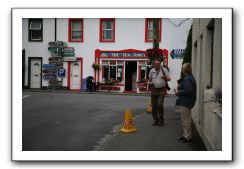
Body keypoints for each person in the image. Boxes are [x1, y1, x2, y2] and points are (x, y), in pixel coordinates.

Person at [174, 63, 197, 143]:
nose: (181, 70)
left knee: (185, 120)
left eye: (182, 68)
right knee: (186, 119)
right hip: (188, 101)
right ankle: (186, 135)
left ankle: (187, 137)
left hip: (186, 101)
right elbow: (188, 88)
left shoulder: (187, 78)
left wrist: (178, 91)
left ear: (184, 70)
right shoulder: (189, 77)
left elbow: (189, 90)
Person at [148, 58, 171, 126]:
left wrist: (164, 78)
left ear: (160, 64)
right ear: (154, 64)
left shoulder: (164, 70)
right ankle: (155, 120)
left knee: (160, 105)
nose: (156, 65)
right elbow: (149, 79)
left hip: (161, 90)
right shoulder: (152, 71)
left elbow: (169, 79)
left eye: (158, 64)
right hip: (153, 89)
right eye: (155, 64)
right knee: (154, 106)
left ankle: (161, 120)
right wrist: (150, 83)